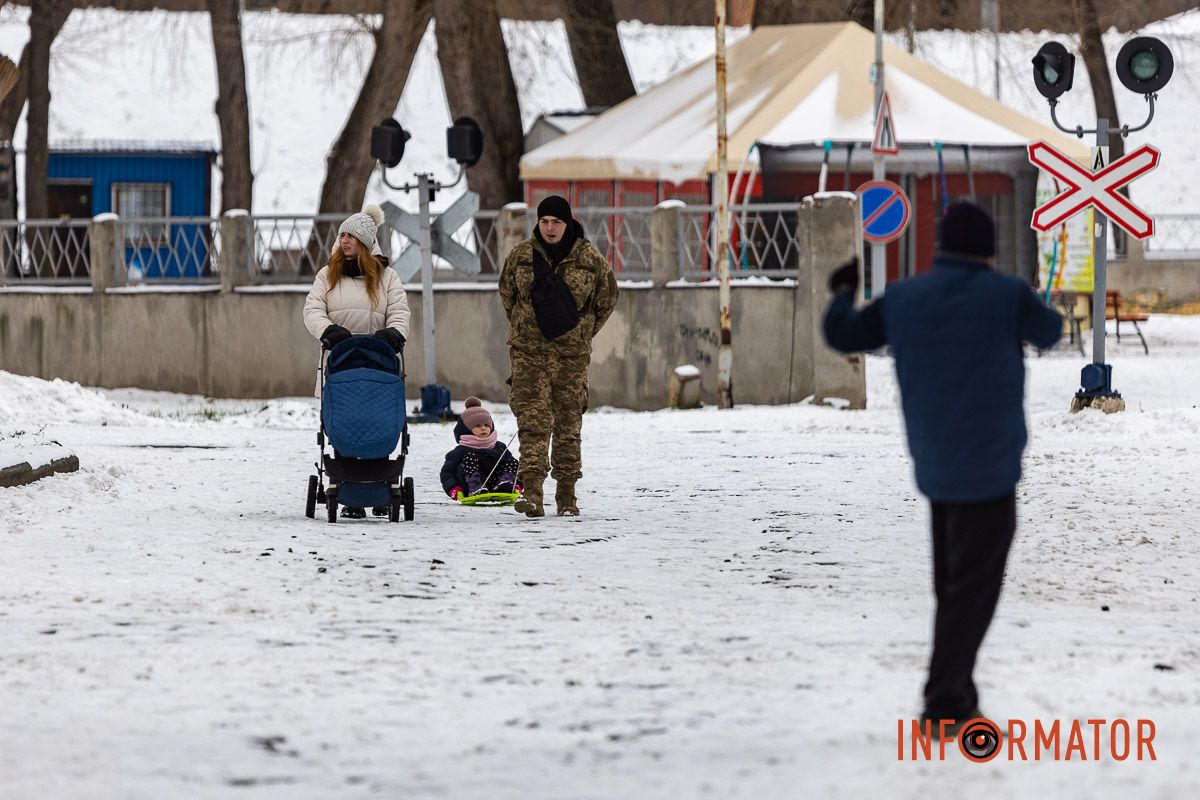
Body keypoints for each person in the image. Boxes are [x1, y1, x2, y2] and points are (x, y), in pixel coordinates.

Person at [822, 201, 1062, 738]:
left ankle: (959, 694)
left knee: (953, 585)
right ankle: (943, 702)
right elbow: (1050, 331)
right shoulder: (1004, 295)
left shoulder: (905, 297)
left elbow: (844, 336)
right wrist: (1023, 292)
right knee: (974, 589)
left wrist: (841, 293)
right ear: (987, 249)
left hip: (935, 464)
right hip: (992, 467)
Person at [498, 195, 619, 518]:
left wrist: (582, 330)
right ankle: (532, 492)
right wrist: (527, 327)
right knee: (532, 422)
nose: (550, 228)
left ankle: (567, 495)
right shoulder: (522, 256)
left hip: (570, 357)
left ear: (568, 224)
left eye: (557, 222)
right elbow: (507, 295)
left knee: (568, 424)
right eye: (545, 221)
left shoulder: (588, 259)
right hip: (528, 355)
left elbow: (606, 299)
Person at [303, 204, 410, 519]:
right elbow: (312, 309)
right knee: (345, 422)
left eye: (351, 235)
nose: (345, 240)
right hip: (340, 358)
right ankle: (347, 487)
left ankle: (382, 484)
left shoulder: (387, 277)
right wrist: (327, 330)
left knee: (376, 422)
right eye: (343, 234)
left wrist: (394, 334)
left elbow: (401, 311)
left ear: (365, 242)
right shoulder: (327, 274)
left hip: (378, 361)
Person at [440, 397, 520, 500]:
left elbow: (517, 470)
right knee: (470, 457)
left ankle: (505, 484)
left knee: (512, 461)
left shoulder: (499, 447)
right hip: (468, 485)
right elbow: (447, 473)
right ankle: (476, 488)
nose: (483, 428)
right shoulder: (461, 450)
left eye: (487, 425)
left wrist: (518, 485)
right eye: (477, 425)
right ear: (467, 429)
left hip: (495, 484)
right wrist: (453, 488)